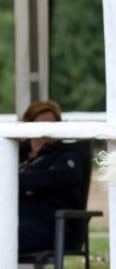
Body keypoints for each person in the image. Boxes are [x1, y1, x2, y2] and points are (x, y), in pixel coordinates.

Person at [18, 100, 85, 254]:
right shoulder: (16, 154)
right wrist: (28, 185)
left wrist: (18, 182)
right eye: (40, 125)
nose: (46, 131)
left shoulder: (68, 156)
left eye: (52, 125)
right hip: (14, 222)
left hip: (50, 228)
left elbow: (50, 179)